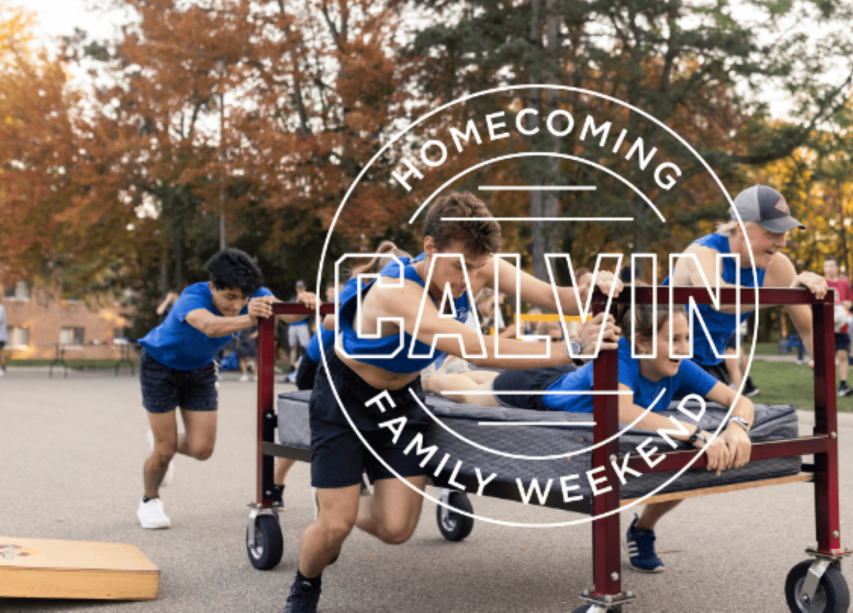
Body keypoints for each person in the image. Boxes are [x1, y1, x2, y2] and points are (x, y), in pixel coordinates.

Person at [283, 192, 621, 612]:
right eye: (461, 265)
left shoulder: (477, 266)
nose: (469, 277)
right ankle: (306, 581)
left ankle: (340, 507)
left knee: (395, 528)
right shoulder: (395, 291)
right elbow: (474, 347)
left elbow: (559, 298)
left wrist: (594, 287)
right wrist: (571, 349)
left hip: (402, 399)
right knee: (335, 526)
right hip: (346, 397)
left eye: (478, 267)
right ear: (430, 247)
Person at [425, 304, 756, 573]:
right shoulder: (625, 355)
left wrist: (737, 426)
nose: (685, 349)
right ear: (642, 341)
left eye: (687, 338)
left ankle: (643, 529)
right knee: (470, 394)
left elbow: (740, 400)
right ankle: (431, 378)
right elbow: (621, 408)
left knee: (488, 380)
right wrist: (696, 433)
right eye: (675, 339)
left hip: (571, 376)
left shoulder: (680, 365)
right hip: (541, 390)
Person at [136, 248, 316, 529]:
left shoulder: (256, 294)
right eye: (229, 297)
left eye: (243, 298)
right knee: (164, 450)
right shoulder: (193, 297)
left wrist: (304, 303)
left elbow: (288, 316)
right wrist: (250, 317)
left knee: (202, 450)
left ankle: (161, 439)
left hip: (201, 369)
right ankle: (149, 500)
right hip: (160, 366)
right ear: (213, 287)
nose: (236, 304)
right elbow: (208, 325)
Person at [663, 185, 829, 396]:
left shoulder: (777, 266)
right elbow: (720, 299)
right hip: (660, 364)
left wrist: (821, 359)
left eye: (784, 233)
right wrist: (785, 294)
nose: (782, 243)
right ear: (741, 228)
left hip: (710, 365)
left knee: (735, 422)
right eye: (772, 233)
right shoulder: (703, 253)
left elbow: (807, 328)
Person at [823, 256, 853, 397]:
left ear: (837, 268)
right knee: (826, 356)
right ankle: (826, 385)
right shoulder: (821, 283)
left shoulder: (844, 284)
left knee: (842, 354)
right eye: (826, 266)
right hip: (826, 324)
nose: (828, 269)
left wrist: (847, 304)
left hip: (842, 325)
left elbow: (851, 300)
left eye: (831, 266)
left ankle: (843, 385)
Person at [288, 280, 313, 369]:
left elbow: (311, 313)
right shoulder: (292, 299)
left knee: (306, 346)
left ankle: (310, 364)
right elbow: (289, 312)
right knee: (293, 347)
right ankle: (292, 366)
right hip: (292, 325)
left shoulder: (309, 298)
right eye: (298, 288)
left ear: (304, 288)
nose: (300, 289)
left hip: (303, 324)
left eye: (301, 288)